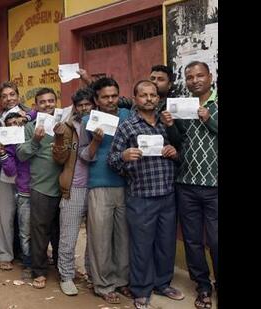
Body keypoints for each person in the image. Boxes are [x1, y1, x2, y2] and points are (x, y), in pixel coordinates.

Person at [108, 80, 183, 309]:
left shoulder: (167, 125)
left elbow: (181, 154)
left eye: (153, 95)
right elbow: (112, 160)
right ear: (136, 98)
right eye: (144, 95)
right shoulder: (127, 127)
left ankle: (163, 284)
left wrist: (174, 152)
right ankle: (141, 289)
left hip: (167, 194)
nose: (149, 98)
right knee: (141, 246)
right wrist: (124, 156)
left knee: (166, 244)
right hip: (140, 196)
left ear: (158, 98)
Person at [161, 61, 218, 309]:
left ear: (210, 76)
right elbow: (179, 141)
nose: (195, 80)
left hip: (215, 186)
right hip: (186, 184)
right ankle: (203, 286)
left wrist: (210, 120)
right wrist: (171, 125)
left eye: (200, 76)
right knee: (193, 241)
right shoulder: (185, 105)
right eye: (190, 77)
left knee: (216, 241)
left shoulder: (215, 106)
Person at [78, 77, 132, 304]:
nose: (110, 100)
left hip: (126, 184)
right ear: (96, 100)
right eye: (105, 97)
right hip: (99, 185)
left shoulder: (127, 116)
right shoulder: (88, 120)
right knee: (100, 238)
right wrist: (96, 142)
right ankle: (102, 284)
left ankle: (121, 280)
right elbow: (83, 155)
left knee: (123, 238)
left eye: (114, 95)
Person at [17, 88, 63, 289]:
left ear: (56, 102)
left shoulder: (65, 123)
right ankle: (39, 271)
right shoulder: (30, 126)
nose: (47, 105)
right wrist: (35, 140)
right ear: (36, 105)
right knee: (39, 231)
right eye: (43, 102)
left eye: (51, 101)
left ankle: (63, 269)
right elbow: (21, 154)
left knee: (61, 232)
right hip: (41, 186)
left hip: (65, 187)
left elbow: (73, 149)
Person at [51, 87, 95, 296]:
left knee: (96, 237)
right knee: (68, 236)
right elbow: (59, 158)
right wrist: (59, 139)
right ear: (76, 107)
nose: (85, 108)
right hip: (75, 187)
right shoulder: (69, 126)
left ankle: (92, 275)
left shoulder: (103, 122)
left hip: (98, 187)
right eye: (81, 105)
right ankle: (66, 276)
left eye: (88, 104)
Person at [0, 112, 33, 278]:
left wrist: (27, 118)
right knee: (6, 220)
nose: (13, 125)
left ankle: (30, 261)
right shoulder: (5, 142)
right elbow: (10, 171)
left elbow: (37, 111)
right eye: (9, 123)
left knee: (27, 226)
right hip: (9, 182)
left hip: (27, 186)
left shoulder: (29, 136)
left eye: (16, 123)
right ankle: (6, 256)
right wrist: (3, 153)